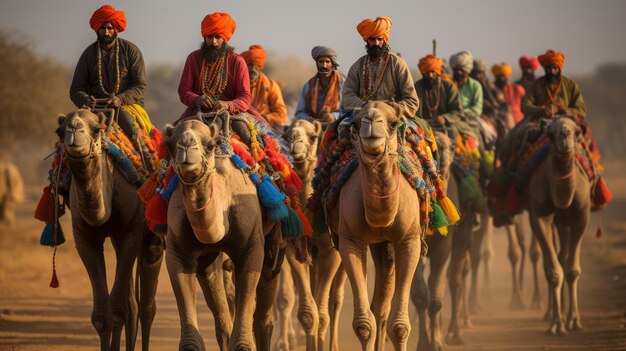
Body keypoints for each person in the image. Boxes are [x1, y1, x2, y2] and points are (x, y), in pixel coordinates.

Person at [70, 4, 150, 139]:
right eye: (102, 28)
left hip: (126, 107)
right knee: (70, 130)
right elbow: (75, 89)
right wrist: (86, 99)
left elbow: (140, 86)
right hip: (94, 110)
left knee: (132, 130)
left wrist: (120, 99)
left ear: (116, 29)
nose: (106, 33)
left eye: (110, 28)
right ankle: (62, 160)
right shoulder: (88, 55)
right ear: (96, 29)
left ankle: (144, 157)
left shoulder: (131, 51)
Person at [177, 12, 267, 129]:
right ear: (205, 37)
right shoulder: (193, 58)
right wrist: (197, 99)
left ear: (225, 38)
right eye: (210, 37)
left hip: (232, 114)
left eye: (218, 37)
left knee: (250, 138)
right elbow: (184, 91)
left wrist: (227, 104)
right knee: (174, 137)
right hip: (198, 113)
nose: (214, 42)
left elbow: (245, 97)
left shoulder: (237, 61)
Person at [341, 16, 419, 120]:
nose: (376, 43)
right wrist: (365, 106)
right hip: (363, 117)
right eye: (372, 39)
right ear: (367, 41)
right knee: (334, 131)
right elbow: (348, 96)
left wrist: (388, 109)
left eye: (380, 39)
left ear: (385, 40)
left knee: (420, 134)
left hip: (393, 118)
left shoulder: (397, 64)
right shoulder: (358, 66)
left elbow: (412, 100)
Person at [295, 46, 344, 127]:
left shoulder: (342, 84)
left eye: (327, 62)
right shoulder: (308, 85)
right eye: (321, 62)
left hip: (336, 128)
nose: (324, 65)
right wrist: (307, 118)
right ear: (317, 63)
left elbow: (349, 111)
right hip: (312, 128)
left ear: (332, 63)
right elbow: (300, 112)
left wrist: (334, 116)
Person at [241, 44, 288, 130]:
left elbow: (281, 115)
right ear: (245, 66)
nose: (253, 69)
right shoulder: (238, 83)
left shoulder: (271, 86)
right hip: (240, 122)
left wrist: (265, 117)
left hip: (263, 127)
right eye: (250, 65)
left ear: (261, 67)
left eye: (257, 65)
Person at [414, 54, 462, 130]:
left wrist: (444, 118)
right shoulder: (416, 87)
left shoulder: (449, 87)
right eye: (427, 73)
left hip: (445, 128)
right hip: (421, 128)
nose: (430, 75)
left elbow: (457, 111)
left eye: (433, 72)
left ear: (437, 72)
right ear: (423, 73)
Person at [449, 51, 482, 118]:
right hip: (450, 117)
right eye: (456, 70)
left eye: (461, 70)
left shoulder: (475, 85)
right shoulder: (448, 84)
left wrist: (461, 113)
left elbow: (478, 109)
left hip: (469, 118)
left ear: (467, 70)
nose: (459, 72)